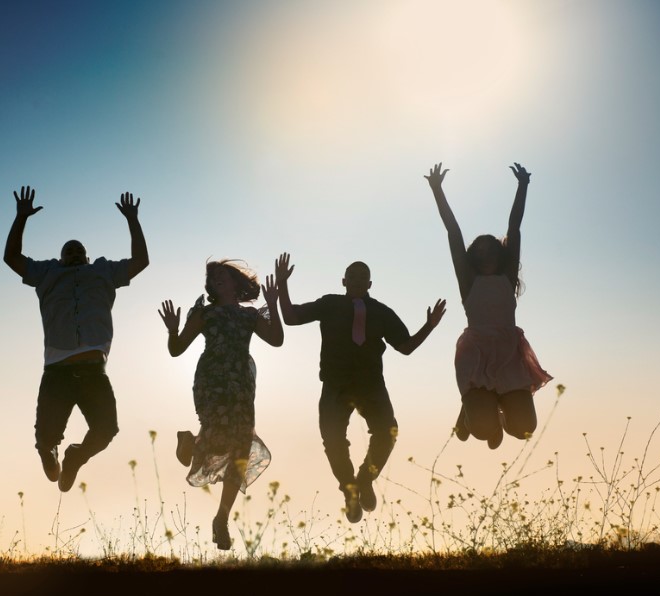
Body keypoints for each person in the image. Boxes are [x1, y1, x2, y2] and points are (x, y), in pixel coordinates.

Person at [275, 252, 445, 524]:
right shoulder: (329, 304)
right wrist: (282, 284)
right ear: (343, 281)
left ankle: (365, 480)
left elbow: (406, 347)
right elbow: (291, 317)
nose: (356, 281)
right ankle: (349, 489)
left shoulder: (381, 312)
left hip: (371, 385)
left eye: (362, 277)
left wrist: (429, 326)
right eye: (352, 276)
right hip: (335, 384)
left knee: (387, 432)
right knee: (332, 439)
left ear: (370, 284)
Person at [4, 186, 149, 492]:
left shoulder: (103, 271)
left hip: (93, 371)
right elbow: (12, 257)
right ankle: (50, 451)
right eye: (67, 250)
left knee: (106, 429)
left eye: (77, 249)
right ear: (60, 257)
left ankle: (75, 456)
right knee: (45, 437)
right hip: (57, 370)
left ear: (87, 255)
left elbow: (140, 261)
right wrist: (21, 218)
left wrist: (132, 220)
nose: (72, 252)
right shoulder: (47, 273)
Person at [425, 162, 552, 449]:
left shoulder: (507, 279)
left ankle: (498, 414)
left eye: (489, 248)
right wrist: (437, 190)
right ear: (471, 259)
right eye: (477, 251)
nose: (483, 254)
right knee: (482, 431)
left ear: (500, 254)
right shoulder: (468, 282)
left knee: (524, 430)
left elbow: (514, 228)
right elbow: (453, 233)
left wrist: (523, 186)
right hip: (477, 352)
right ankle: (479, 415)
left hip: (508, 351)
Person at [158, 260, 283, 550]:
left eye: (221, 275)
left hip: (240, 382)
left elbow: (276, 340)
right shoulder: (205, 313)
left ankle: (222, 518)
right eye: (212, 277)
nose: (216, 280)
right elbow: (177, 350)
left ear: (235, 282)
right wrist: (173, 330)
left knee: (240, 447)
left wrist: (273, 305)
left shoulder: (250, 315)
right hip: (212, 379)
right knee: (217, 441)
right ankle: (191, 442)